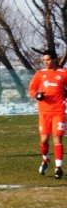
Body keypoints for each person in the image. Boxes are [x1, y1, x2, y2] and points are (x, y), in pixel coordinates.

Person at [28, 49, 67, 179]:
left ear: (55, 59)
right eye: (44, 60)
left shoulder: (63, 73)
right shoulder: (40, 74)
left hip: (58, 111)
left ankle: (58, 168)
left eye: (48, 60)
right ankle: (45, 160)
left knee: (57, 138)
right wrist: (37, 95)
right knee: (44, 140)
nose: (45, 62)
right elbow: (32, 89)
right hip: (44, 112)